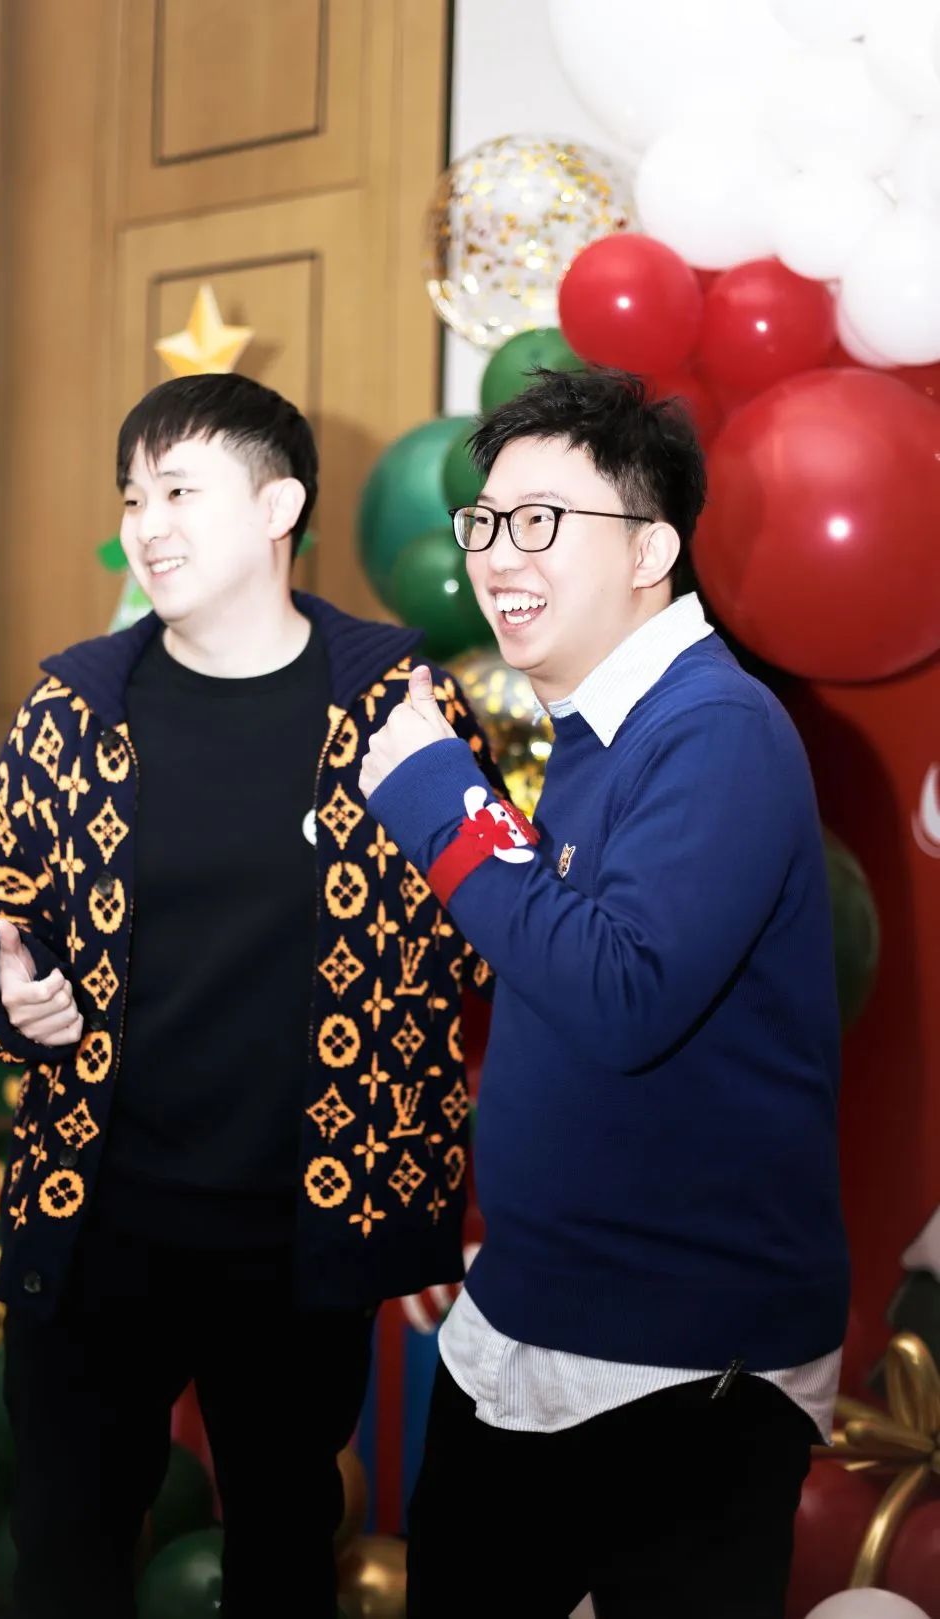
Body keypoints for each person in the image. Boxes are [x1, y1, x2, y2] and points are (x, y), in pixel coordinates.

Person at [0, 372, 496, 1619]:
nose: (146, 524)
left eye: (179, 491)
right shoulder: (72, 709)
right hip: (99, 1214)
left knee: (282, 1545)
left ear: (277, 506)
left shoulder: (396, 704)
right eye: (132, 496)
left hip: (300, 1228)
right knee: (67, 1547)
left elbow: (482, 934)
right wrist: (9, 985)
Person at [359, 367, 849, 1619]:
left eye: (540, 519)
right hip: (533, 1315)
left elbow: (623, 991)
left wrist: (439, 796)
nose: (495, 552)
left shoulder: (717, 725)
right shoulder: (597, 730)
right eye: (484, 520)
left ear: (651, 549)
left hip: (680, 1359)